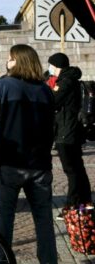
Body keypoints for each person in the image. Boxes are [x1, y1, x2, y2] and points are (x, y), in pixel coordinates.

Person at [0, 44, 57, 264]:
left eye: (10, 58)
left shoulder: (3, 85)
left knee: (4, 217)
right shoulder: (45, 90)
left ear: (17, 61)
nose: (7, 62)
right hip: (40, 163)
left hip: (11, 162)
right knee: (44, 219)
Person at [48, 52, 92, 209]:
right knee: (78, 167)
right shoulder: (71, 79)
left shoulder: (65, 82)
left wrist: (50, 90)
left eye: (51, 65)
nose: (49, 68)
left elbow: (53, 102)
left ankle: (72, 204)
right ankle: (85, 200)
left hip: (66, 131)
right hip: (71, 129)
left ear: (57, 66)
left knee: (71, 170)